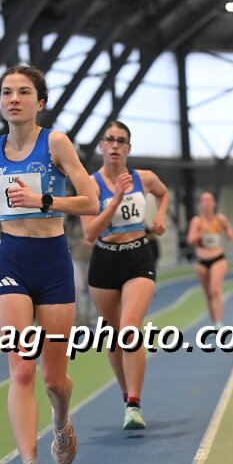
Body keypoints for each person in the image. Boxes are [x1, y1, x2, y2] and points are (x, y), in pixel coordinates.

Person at [0, 64, 98, 464]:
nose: (14, 99)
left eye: (24, 92)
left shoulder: (56, 143)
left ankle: (61, 422)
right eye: (6, 92)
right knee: (21, 367)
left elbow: (91, 201)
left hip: (52, 263)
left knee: (53, 378)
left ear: (39, 102)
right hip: (12, 261)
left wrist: (43, 200)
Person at [81, 121, 169, 431]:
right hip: (105, 261)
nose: (115, 145)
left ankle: (134, 404)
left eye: (121, 140)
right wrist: (116, 199)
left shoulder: (144, 178)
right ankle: (125, 395)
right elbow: (89, 233)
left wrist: (159, 217)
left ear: (129, 148)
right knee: (115, 337)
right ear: (102, 146)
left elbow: (163, 194)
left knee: (130, 329)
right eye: (110, 140)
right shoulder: (90, 184)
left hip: (138, 257)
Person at [186, 191, 233, 330]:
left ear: (214, 203)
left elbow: (229, 232)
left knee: (215, 290)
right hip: (201, 260)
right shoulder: (197, 221)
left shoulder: (220, 218)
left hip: (218, 258)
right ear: (200, 204)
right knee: (208, 294)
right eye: (204, 200)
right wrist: (201, 233)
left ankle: (219, 322)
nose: (207, 203)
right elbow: (190, 240)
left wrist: (228, 232)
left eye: (209, 200)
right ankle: (215, 323)